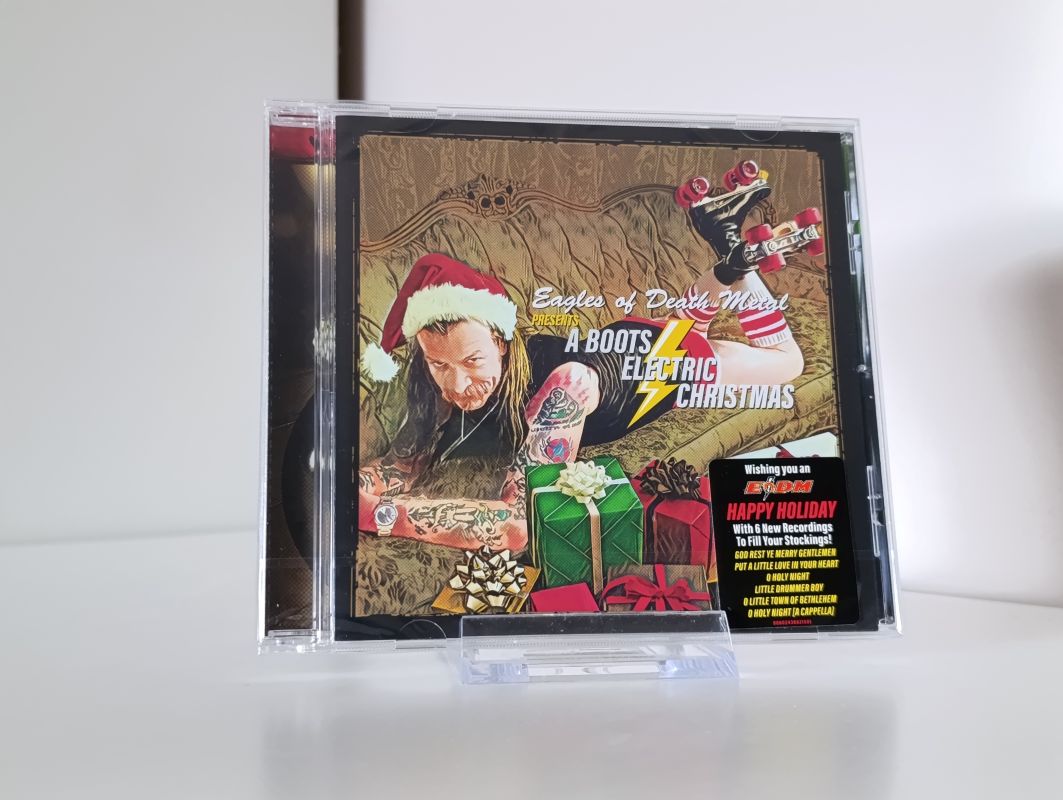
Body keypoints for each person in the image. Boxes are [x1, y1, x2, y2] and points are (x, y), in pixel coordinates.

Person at [358, 184, 804, 551]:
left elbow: (519, 525)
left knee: (787, 363)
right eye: (439, 363)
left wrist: (383, 515)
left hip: (666, 367)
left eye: (473, 361)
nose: (456, 384)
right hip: (627, 335)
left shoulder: (563, 391)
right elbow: (401, 465)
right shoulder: (430, 375)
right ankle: (726, 258)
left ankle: (735, 257)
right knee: (680, 325)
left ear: (501, 343)